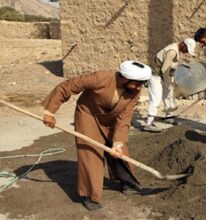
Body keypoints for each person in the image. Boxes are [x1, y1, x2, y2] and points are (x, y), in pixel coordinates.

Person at [42, 60, 152, 211]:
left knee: (120, 152)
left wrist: (117, 143)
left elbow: (125, 117)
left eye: (143, 83)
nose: (140, 87)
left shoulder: (135, 91)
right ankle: (89, 195)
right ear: (125, 78)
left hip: (112, 118)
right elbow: (68, 86)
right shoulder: (100, 78)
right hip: (89, 114)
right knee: (90, 152)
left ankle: (127, 182)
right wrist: (49, 112)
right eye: (137, 83)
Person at [143, 38, 197, 132]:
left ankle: (169, 116)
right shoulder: (172, 51)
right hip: (156, 75)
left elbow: (169, 68)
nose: (186, 52)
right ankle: (149, 123)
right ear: (183, 45)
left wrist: (170, 82)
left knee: (169, 95)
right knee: (156, 97)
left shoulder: (176, 49)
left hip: (163, 75)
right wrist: (167, 82)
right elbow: (164, 69)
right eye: (187, 50)